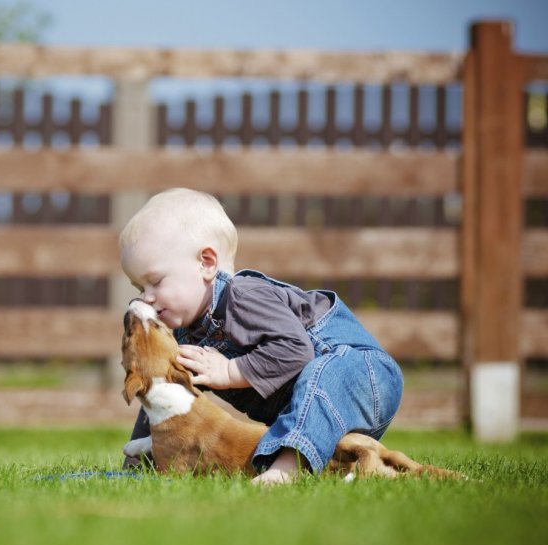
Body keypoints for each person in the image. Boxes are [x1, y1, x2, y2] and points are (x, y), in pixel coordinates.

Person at [118, 187, 403, 485]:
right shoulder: (184, 337)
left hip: (362, 376)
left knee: (321, 373)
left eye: (155, 282)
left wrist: (230, 370)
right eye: (140, 289)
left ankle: (285, 470)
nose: (146, 299)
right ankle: (364, 468)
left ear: (206, 263)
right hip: (322, 414)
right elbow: (162, 393)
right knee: (318, 419)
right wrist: (137, 461)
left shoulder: (243, 297)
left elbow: (296, 351)